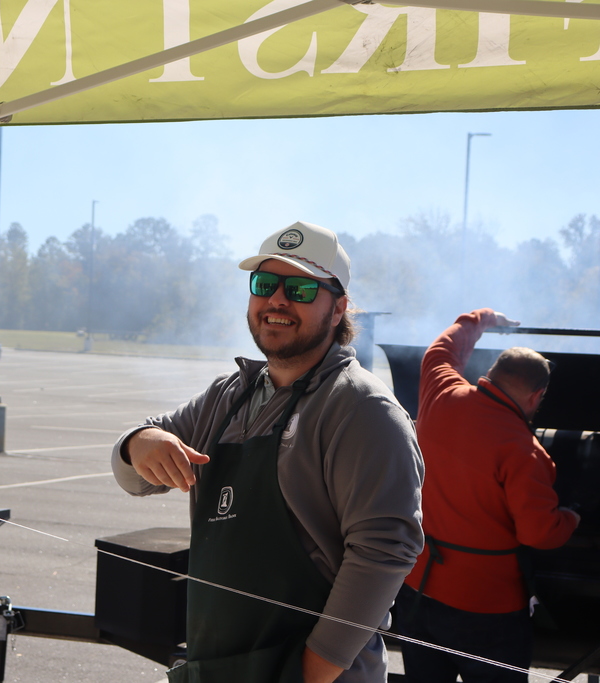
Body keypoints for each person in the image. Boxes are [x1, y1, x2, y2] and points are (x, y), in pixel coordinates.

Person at [112, 221, 425, 683]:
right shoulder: (228, 396)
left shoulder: (361, 408)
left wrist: (311, 672)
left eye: (300, 288)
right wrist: (138, 443)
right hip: (218, 668)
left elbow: (384, 552)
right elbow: (134, 478)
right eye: (264, 284)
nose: (278, 300)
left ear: (338, 309)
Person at [394, 309, 580, 683]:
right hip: (487, 611)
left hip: (417, 589)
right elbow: (538, 534)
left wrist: (482, 319)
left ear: (491, 374)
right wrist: (571, 518)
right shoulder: (525, 452)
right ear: (536, 396)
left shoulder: (441, 391)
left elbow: (441, 350)